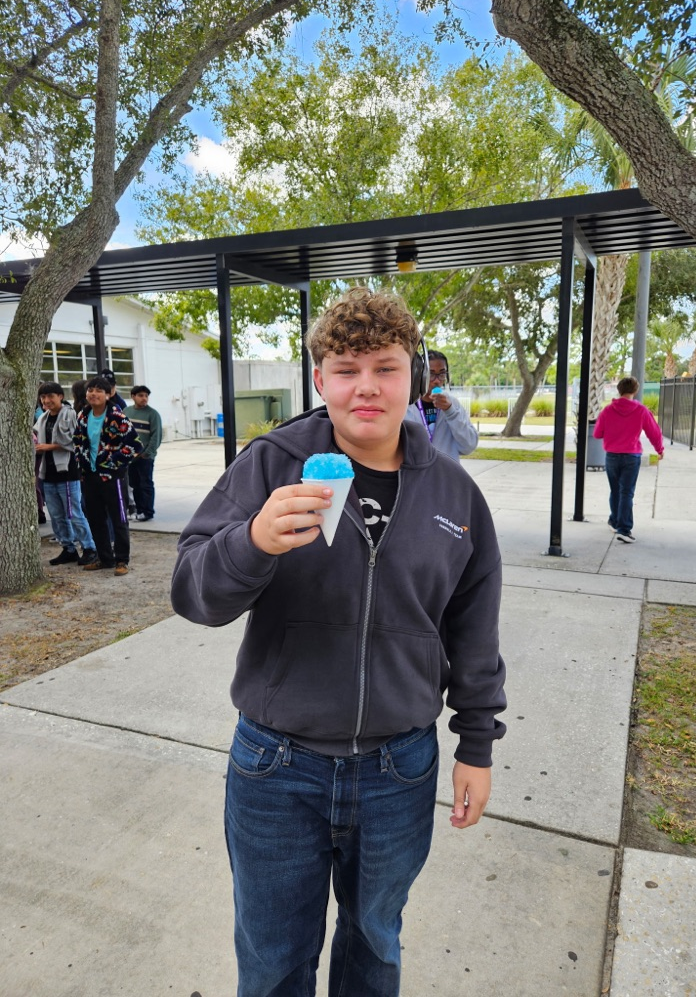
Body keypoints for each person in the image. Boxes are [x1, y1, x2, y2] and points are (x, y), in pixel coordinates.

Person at [171, 287, 506, 997]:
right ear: (319, 377)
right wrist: (252, 541)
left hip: (400, 768)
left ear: (414, 374)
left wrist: (476, 744)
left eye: (385, 367)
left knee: (375, 946)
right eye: (345, 368)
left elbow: (473, 628)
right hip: (276, 767)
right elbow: (192, 591)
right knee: (272, 960)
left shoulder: (454, 493)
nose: (366, 387)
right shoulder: (271, 463)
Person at [73, 376, 142, 575]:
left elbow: (135, 445)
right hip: (89, 476)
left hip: (113, 477)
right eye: (90, 390)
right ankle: (105, 559)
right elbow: (77, 440)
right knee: (95, 519)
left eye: (98, 390)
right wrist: (81, 461)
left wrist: (112, 462)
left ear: (108, 394)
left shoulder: (117, 417)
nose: (93, 394)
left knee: (119, 519)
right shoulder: (83, 416)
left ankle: (122, 560)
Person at [593, 376, 664, 544]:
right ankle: (624, 529)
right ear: (635, 391)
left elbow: (597, 433)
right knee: (627, 492)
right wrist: (659, 449)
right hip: (631, 457)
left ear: (619, 390)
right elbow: (654, 432)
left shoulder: (608, 411)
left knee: (615, 490)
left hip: (611, 456)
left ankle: (615, 521)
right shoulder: (641, 411)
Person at [33, 382, 98, 566]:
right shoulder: (44, 418)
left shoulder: (70, 415)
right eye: (43, 397)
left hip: (68, 473)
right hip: (48, 473)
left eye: (50, 396)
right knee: (56, 515)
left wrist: (49, 446)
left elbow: (76, 441)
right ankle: (68, 548)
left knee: (74, 513)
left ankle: (89, 548)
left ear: (60, 396)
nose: (46, 400)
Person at [404, 349, 478, 460]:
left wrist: (450, 412)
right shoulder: (406, 406)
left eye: (442, 374)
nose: (437, 381)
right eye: (431, 374)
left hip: (446, 474)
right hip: (416, 474)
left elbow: (469, 446)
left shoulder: (453, 404)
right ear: (420, 374)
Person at [123, 385, 163, 521]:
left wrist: (147, 453)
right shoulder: (126, 411)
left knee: (145, 484)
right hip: (129, 456)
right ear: (133, 396)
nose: (144, 398)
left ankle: (147, 512)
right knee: (134, 484)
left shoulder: (153, 414)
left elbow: (156, 436)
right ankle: (139, 510)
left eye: (146, 396)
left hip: (145, 457)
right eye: (140, 395)